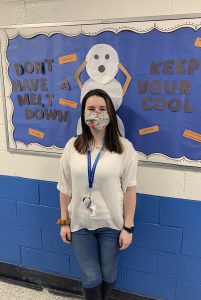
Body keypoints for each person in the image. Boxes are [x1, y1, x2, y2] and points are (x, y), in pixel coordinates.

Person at [57, 89, 138, 300]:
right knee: (91, 278)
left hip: (112, 225)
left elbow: (130, 190)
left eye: (102, 109)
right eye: (91, 109)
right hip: (80, 224)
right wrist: (64, 222)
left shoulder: (124, 148)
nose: (96, 114)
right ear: (83, 114)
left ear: (110, 113)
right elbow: (65, 188)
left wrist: (128, 227)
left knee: (108, 274)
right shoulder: (71, 147)